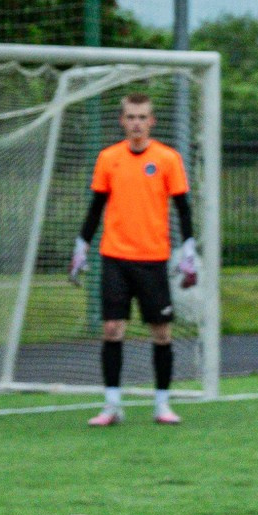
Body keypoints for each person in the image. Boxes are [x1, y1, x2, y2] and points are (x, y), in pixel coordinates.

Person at [70, 92, 199, 428]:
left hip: (153, 259)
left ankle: (162, 404)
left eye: (143, 117)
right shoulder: (108, 158)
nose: (137, 123)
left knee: (161, 332)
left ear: (152, 121)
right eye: (131, 117)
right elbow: (96, 206)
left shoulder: (168, 159)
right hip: (114, 256)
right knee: (112, 329)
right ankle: (112, 405)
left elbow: (183, 208)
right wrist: (82, 244)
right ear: (122, 121)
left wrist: (188, 247)